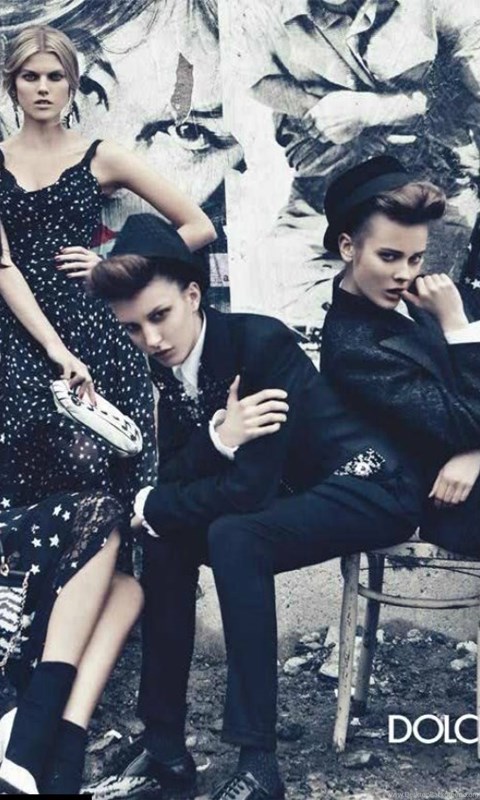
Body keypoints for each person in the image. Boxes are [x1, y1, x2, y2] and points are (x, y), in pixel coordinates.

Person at [87, 212, 429, 800]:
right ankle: (165, 747)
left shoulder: (259, 344)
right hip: (298, 496)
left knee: (235, 534)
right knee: (165, 539)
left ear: (193, 295)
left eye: (160, 316)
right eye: (134, 328)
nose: (152, 339)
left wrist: (158, 501)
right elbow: (179, 470)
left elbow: (246, 492)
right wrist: (219, 441)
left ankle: (258, 765)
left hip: (371, 485)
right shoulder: (166, 364)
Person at [0, 24, 216, 508]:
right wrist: (52, 347)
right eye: (31, 77)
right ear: (12, 84)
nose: (43, 88)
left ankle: (124, 555)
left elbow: (198, 226)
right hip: (17, 332)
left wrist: (114, 263)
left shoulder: (101, 156)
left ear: (72, 84)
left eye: (55, 76)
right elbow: (2, 264)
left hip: (95, 327)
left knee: (105, 459)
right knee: (28, 468)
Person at [235, 0, 480, 324]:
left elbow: (469, 94)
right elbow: (253, 77)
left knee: (424, 315)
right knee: (276, 296)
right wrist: (318, 110)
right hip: (326, 188)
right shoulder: (263, 11)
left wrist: (369, 111)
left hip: (433, 187)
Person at [320, 155, 480, 554]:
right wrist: (456, 326)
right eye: (389, 256)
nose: (405, 273)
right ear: (348, 247)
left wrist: (475, 454)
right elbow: (461, 424)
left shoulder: (419, 296)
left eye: (415, 258)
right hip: (453, 503)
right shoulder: (353, 348)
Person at [0, 488, 144, 795]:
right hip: (16, 547)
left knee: (128, 592)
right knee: (103, 512)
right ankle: (28, 741)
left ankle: (59, 760)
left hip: (53, 556)